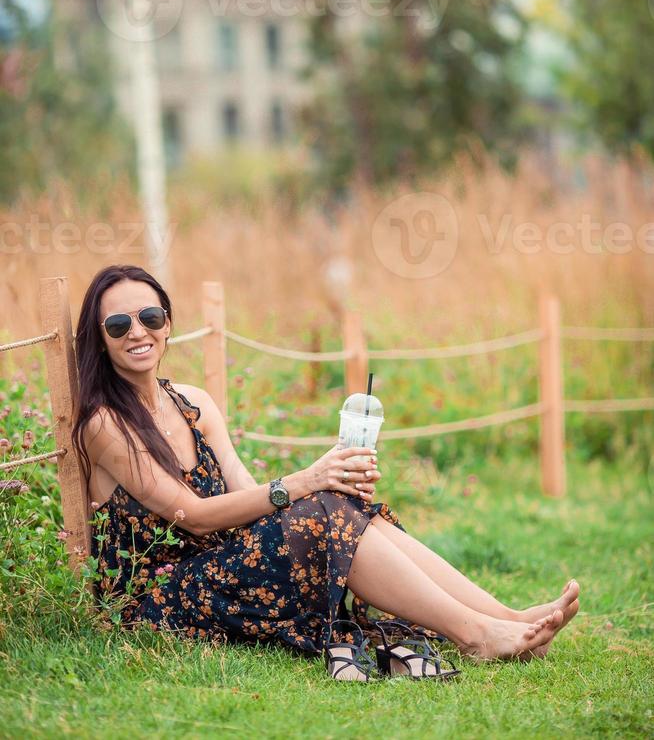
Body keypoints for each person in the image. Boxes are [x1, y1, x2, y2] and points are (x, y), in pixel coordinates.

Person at [72, 264, 579, 678]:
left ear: (166, 322)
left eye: (149, 316)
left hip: (224, 565)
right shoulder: (105, 424)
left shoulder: (193, 403)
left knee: (342, 504)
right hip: (163, 597)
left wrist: (331, 481)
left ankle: (504, 618)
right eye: (119, 325)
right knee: (323, 504)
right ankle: (477, 636)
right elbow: (198, 516)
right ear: (100, 340)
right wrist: (305, 482)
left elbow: (246, 490)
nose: (137, 331)